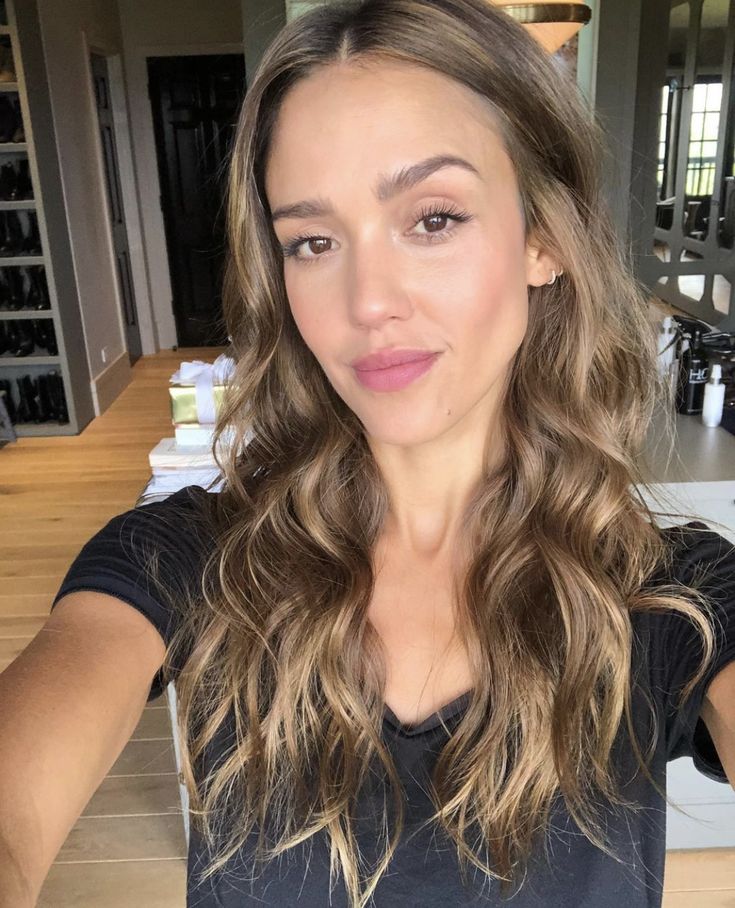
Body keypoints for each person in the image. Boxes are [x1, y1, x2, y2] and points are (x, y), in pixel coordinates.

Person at [1, 1, 734, 906]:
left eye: (432, 219)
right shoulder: (188, 560)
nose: (367, 301)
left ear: (542, 236)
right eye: (312, 241)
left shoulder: (677, 598)